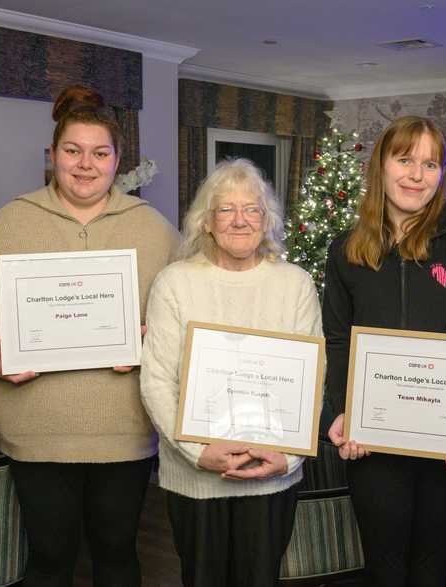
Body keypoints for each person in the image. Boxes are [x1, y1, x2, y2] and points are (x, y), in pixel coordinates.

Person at [0, 85, 178, 586]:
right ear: (52, 155)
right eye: (72, 151)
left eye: (100, 153)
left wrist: (153, 343)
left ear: (118, 160)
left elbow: (184, 314)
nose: (85, 165)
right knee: (49, 558)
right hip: (35, 429)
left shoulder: (156, 231)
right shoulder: (8, 224)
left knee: (118, 553)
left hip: (125, 429)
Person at [322, 116, 446, 585]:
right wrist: (342, 411)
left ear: (442, 174)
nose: (416, 174)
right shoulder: (346, 248)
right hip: (375, 444)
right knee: (385, 571)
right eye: (405, 159)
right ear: (381, 165)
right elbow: (337, 339)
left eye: (431, 164)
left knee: (433, 571)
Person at [139, 158, 321, 586]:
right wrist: (197, 451)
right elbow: (156, 381)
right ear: (206, 221)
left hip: (271, 477)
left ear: (267, 219)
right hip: (195, 479)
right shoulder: (174, 283)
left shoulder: (295, 284)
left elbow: (311, 382)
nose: (240, 220)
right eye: (226, 209)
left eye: (252, 209)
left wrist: (289, 456)